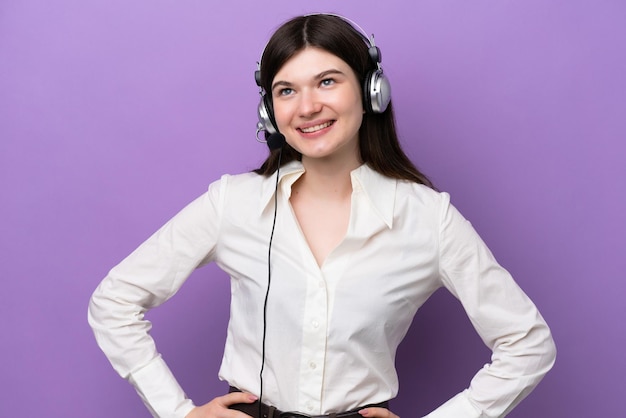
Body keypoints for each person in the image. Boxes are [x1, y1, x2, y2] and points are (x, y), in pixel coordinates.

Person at [88, 13, 556, 418]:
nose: (307, 106)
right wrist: (177, 411)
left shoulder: (428, 218)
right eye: (286, 90)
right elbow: (114, 302)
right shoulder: (234, 203)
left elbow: (528, 345)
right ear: (270, 111)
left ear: (372, 91)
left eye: (327, 81)